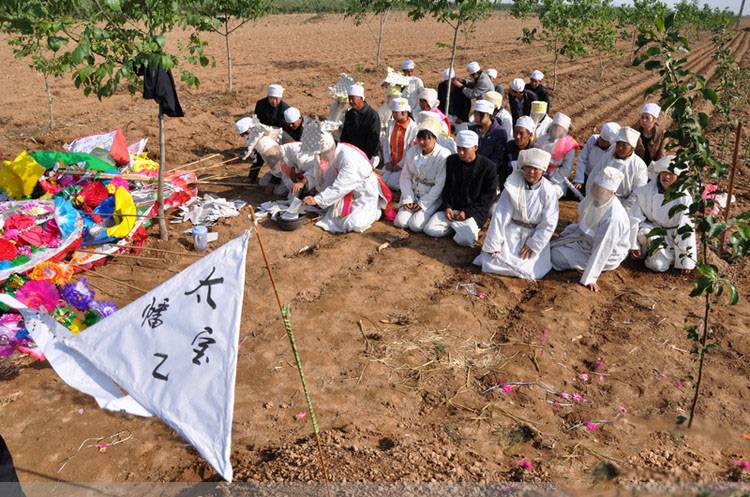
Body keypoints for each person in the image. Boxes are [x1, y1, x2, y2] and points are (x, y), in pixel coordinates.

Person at [474, 148, 559, 280]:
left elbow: (549, 223)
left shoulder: (549, 191)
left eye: (536, 169)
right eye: (528, 167)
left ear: (543, 171)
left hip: (533, 234)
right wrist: (494, 243)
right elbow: (500, 215)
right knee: (492, 261)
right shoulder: (512, 185)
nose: (531, 172)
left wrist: (534, 244)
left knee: (525, 269)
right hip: (511, 233)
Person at [551, 167, 631, 292]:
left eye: (601, 190)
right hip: (586, 240)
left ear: (612, 193)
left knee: (555, 256)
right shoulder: (592, 200)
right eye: (595, 186)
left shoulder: (614, 217)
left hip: (606, 253)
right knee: (564, 234)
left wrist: (590, 277)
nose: (596, 191)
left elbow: (603, 248)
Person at [424, 130, 498, 246]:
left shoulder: (488, 167)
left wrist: (466, 212)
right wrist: (447, 206)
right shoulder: (452, 161)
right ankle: (457, 228)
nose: (461, 153)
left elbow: (487, 197)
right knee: (429, 229)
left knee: (466, 240)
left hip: (472, 212)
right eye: (459, 148)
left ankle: (462, 229)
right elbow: (446, 187)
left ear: (475, 147)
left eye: (465, 149)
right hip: (452, 209)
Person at [303, 134, 387, 233]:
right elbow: (330, 177)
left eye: (321, 155)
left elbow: (339, 188)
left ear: (328, 151)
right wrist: (318, 191)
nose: (321, 158)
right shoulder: (336, 153)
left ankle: (376, 211)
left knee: (352, 224)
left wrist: (317, 199)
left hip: (364, 192)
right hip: (348, 189)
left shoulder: (349, 161)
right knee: (330, 215)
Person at [628, 155, 696, 272]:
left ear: (678, 177)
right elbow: (634, 217)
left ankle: (670, 257)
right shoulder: (648, 190)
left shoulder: (683, 198)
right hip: (654, 229)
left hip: (672, 237)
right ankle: (644, 251)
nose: (667, 176)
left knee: (656, 266)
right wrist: (633, 245)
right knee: (644, 233)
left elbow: (686, 228)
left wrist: (685, 262)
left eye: (671, 174)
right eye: (664, 172)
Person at [395, 119, 451, 232]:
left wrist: (423, 203)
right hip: (414, 192)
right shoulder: (412, 151)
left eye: (426, 139)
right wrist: (408, 198)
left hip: (431, 196)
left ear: (435, 139)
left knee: (415, 225)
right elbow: (405, 176)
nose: (421, 142)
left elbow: (440, 184)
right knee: (400, 222)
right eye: (419, 139)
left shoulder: (443, 155)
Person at [587, 126, 647, 211]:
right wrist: (592, 200)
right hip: (600, 202)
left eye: (624, 145)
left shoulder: (639, 166)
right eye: (618, 144)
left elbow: (638, 193)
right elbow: (593, 177)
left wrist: (623, 210)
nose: (620, 148)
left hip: (625, 206)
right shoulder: (608, 157)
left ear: (632, 147)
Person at [249, 84, 290, 181]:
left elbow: (284, 127)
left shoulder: (285, 109)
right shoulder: (260, 104)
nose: (274, 102)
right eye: (271, 98)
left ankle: (276, 178)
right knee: (260, 151)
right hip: (263, 130)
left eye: (277, 99)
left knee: (274, 156)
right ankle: (252, 176)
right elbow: (257, 120)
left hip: (278, 133)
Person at [533, 112, 579, 199]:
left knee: (551, 193)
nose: (557, 130)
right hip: (539, 172)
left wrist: (552, 181)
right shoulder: (542, 139)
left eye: (560, 128)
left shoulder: (569, 145)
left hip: (556, 178)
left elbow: (567, 167)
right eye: (555, 126)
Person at [469, 99, 509, 188]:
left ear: (487, 114)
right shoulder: (472, 130)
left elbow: (498, 158)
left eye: (478, 115)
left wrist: (482, 169)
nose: (475, 118)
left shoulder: (499, 133)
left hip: (488, 173)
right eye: (474, 114)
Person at [381, 97, 418, 191]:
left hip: (403, 166)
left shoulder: (413, 128)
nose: (393, 115)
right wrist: (387, 161)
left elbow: (411, 150)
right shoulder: (391, 124)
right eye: (392, 112)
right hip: (390, 164)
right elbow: (386, 144)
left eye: (395, 113)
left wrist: (400, 165)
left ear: (405, 112)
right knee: (380, 181)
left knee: (391, 184)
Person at [573, 122, 620, 194]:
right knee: (573, 193)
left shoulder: (613, 151)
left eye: (604, 141)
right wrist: (579, 180)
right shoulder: (593, 139)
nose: (600, 141)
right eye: (600, 137)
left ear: (611, 143)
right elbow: (582, 159)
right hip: (587, 174)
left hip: (600, 180)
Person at [339, 84, 381, 163]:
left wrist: (362, 157)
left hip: (369, 155)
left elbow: (373, 140)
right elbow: (345, 136)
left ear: (361, 98)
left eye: (353, 98)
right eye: (349, 98)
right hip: (353, 154)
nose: (350, 101)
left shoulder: (372, 115)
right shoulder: (349, 114)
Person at [635, 102, 665, 167]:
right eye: (642, 117)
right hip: (637, 166)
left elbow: (661, 154)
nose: (644, 120)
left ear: (655, 120)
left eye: (647, 118)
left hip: (654, 168)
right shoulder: (635, 132)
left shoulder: (661, 135)